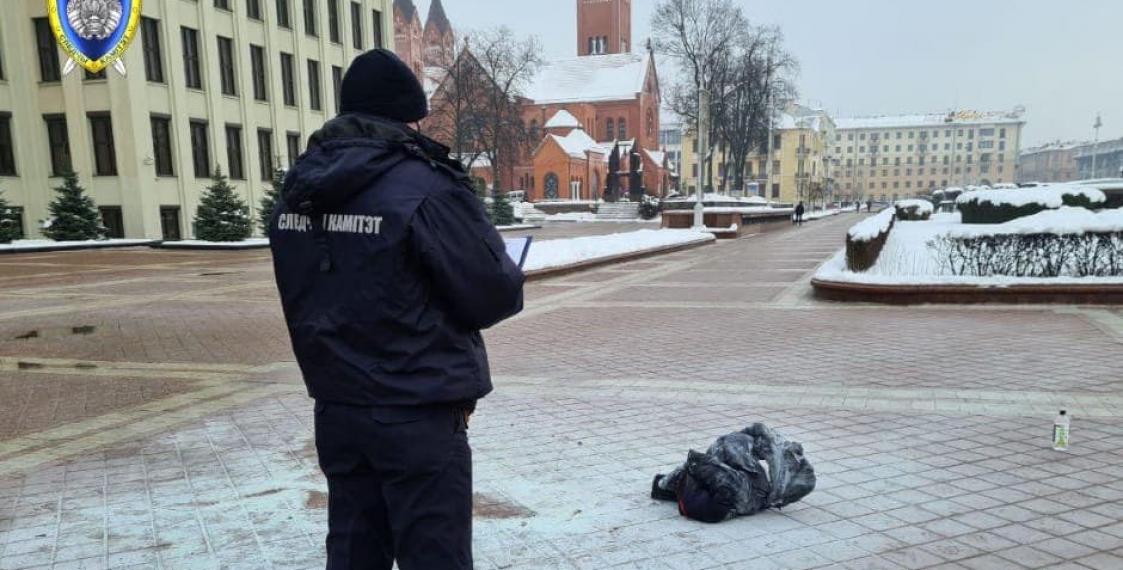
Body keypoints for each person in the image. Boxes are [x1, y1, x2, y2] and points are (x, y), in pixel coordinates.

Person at [269, 49, 525, 570]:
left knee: (353, 547)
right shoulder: (425, 186)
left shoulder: (298, 190)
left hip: (338, 407)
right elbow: (494, 293)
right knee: (433, 555)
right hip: (418, 410)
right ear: (407, 116)